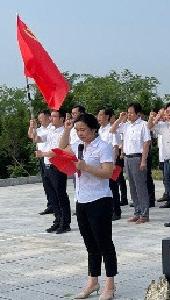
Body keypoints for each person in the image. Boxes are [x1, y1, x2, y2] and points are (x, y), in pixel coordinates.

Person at [63, 114, 117, 300]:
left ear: (93, 129)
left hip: (100, 200)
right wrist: (67, 129)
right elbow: (62, 147)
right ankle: (92, 282)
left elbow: (108, 172)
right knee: (90, 245)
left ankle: (110, 285)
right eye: (78, 130)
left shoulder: (103, 147)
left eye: (83, 130)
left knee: (104, 244)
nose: (80, 134)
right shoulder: (79, 146)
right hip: (82, 201)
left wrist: (86, 167)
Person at [29, 109, 71, 234]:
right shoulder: (51, 130)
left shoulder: (64, 132)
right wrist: (33, 128)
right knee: (52, 196)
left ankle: (65, 222)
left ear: (62, 118)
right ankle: (58, 220)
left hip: (57, 166)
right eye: (51, 116)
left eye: (54, 116)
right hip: (47, 166)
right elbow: (36, 139)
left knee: (60, 195)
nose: (51, 118)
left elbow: (60, 150)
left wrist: (43, 153)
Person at [111, 103, 151, 224]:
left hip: (137, 158)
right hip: (127, 158)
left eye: (131, 113)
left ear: (138, 114)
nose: (129, 115)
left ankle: (144, 214)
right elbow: (112, 130)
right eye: (128, 112)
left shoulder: (143, 125)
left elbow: (146, 143)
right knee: (132, 187)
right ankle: (137, 211)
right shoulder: (126, 125)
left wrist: (144, 160)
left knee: (140, 187)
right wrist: (119, 119)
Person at [97, 108, 121, 221]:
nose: (99, 117)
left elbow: (116, 147)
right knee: (105, 188)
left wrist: (114, 163)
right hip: (101, 164)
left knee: (113, 188)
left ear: (107, 117)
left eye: (101, 115)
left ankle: (116, 211)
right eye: (98, 115)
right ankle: (107, 210)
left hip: (110, 164)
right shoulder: (100, 130)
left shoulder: (112, 130)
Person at [29, 109, 53, 215]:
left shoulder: (52, 129)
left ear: (48, 117)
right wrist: (32, 127)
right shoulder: (39, 129)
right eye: (38, 118)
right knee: (46, 183)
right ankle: (51, 204)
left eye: (41, 118)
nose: (40, 120)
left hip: (51, 157)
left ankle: (57, 205)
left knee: (54, 184)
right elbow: (31, 136)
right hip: (42, 158)